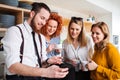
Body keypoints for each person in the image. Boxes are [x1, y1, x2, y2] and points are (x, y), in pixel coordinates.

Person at [1, 2, 69, 80]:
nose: (44, 23)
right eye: (42, 18)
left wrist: (48, 61)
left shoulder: (40, 37)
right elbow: (12, 66)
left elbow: (41, 64)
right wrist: (45, 72)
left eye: (46, 20)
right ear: (32, 14)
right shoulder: (15, 32)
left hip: (37, 77)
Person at [41, 12, 75, 80]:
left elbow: (56, 54)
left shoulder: (56, 37)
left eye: (54, 27)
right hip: (44, 64)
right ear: (45, 24)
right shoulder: (39, 36)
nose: (52, 29)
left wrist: (58, 51)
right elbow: (35, 56)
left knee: (70, 68)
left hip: (55, 62)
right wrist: (47, 50)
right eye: (50, 26)